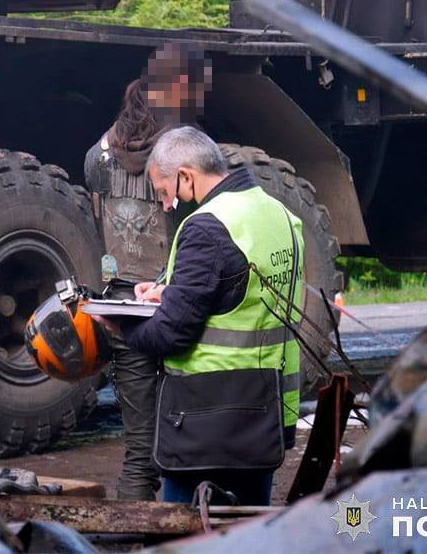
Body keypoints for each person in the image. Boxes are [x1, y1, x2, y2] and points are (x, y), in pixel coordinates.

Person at [110, 126, 303, 506]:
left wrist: (120, 325)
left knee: (185, 536)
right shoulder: (279, 214)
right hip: (268, 413)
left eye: (165, 192)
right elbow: (242, 293)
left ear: (186, 175)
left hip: (207, 422)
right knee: (250, 532)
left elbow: (170, 336)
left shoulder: (207, 225)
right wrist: (173, 291)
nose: (167, 205)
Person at [83, 43, 211, 501]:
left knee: (139, 451)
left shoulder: (98, 151)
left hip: (121, 305)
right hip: (177, 304)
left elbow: (99, 215)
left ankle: (126, 539)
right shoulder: (183, 150)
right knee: (196, 439)